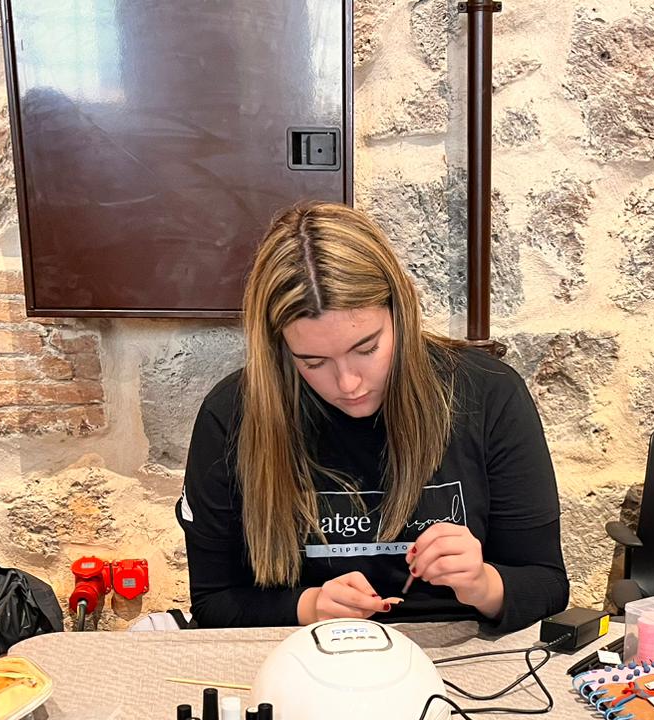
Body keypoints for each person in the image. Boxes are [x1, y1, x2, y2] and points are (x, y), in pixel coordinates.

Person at [179, 202, 569, 631]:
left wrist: (482, 584)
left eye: (366, 349)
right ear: (279, 348)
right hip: (306, 652)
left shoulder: (488, 394)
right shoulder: (233, 415)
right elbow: (214, 602)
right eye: (312, 362)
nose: (348, 384)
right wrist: (310, 607)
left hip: (459, 650)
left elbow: (547, 584)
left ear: (401, 310)